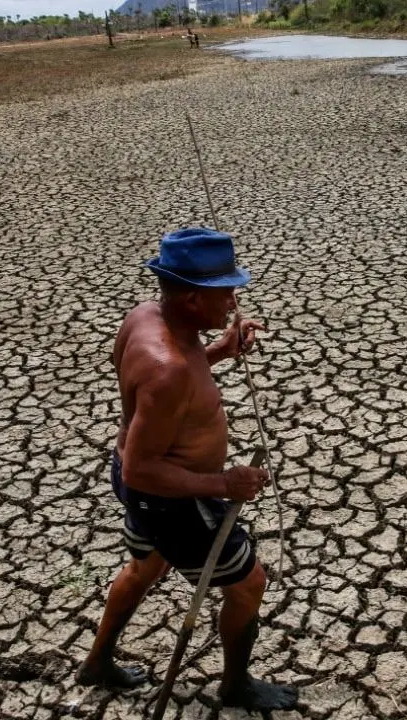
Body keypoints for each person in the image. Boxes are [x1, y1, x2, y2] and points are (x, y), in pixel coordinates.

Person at [77, 228, 297, 711]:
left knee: (145, 567)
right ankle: (236, 686)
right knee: (249, 584)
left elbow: (157, 389)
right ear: (194, 298)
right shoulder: (169, 368)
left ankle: (97, 662)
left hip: (142, 483)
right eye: (226, 293)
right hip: (172, 500)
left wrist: (220, 350)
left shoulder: (146, 317)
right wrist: (224, 483)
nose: (234, 302)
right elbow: (142, 470)